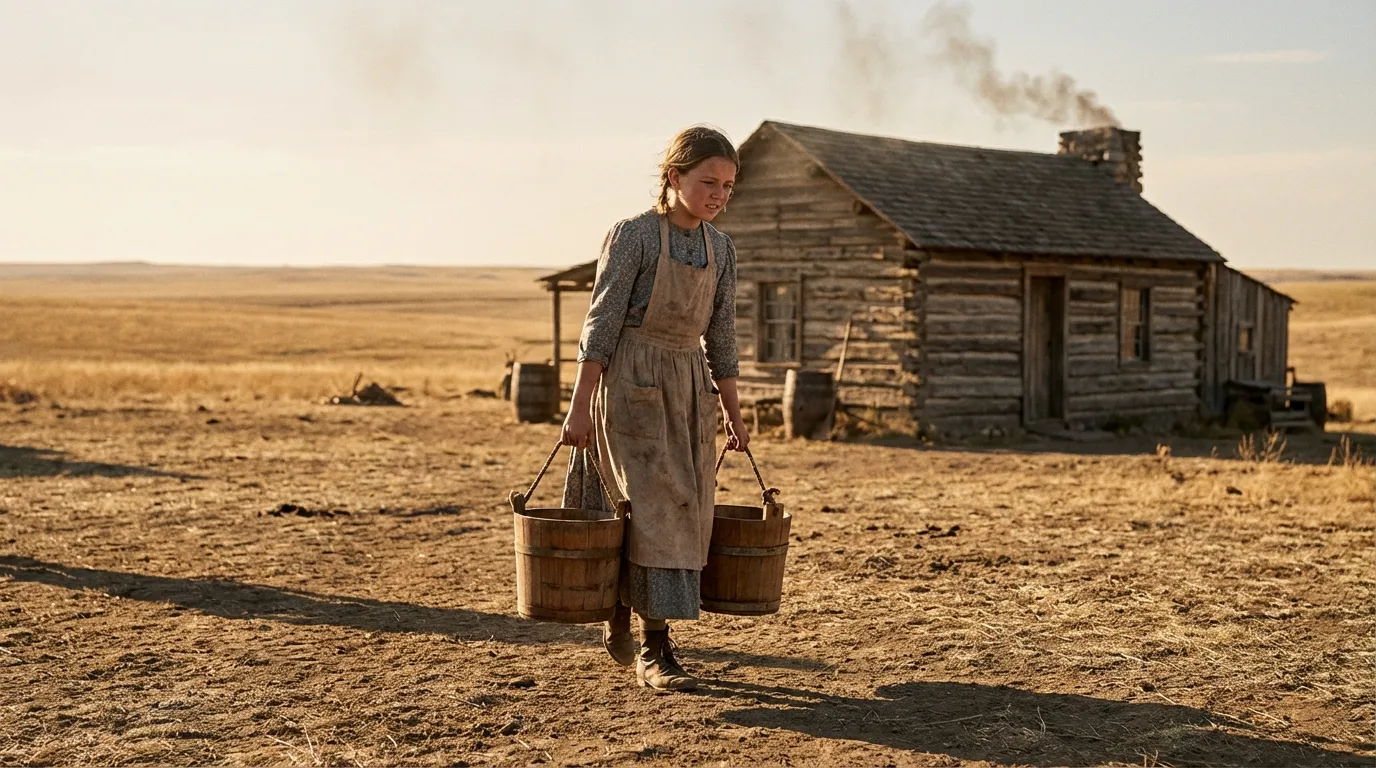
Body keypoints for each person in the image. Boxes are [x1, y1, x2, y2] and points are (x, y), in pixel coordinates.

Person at [560, 125, 748, 692]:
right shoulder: (635, 236)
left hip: (689, 390)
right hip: (631, 386)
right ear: (674, 177)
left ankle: (638, 621)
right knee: (646, 508)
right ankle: (654, 647)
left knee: (684, 511)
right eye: (708, 181)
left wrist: (735, 415)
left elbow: (723, 337)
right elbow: (602, 325)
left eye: (729, 186)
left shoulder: (722, 248)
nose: (718, 194)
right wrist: (578, 409)